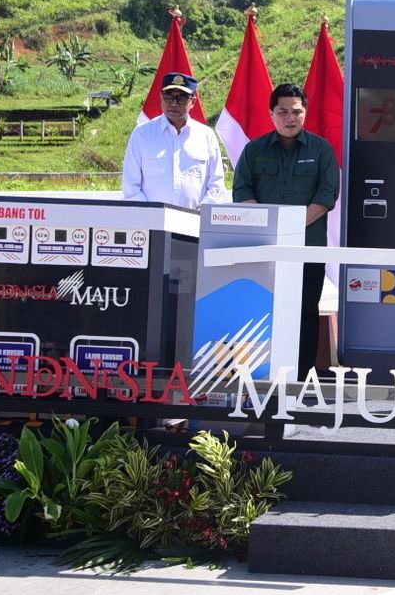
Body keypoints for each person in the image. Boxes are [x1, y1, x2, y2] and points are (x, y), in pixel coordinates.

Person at [232, 82, 340, 376]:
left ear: (305, 113)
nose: (290, 118)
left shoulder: (321, 150)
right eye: (283, 111)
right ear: (271, 113)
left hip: (308, 249)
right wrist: (271, 228)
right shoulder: (254, 150)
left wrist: (290, 229)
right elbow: (241, 191)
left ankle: (302, 376)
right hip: (264, 249)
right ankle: (263, 373)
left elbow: (327, 195)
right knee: (264, 312)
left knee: (305, 314)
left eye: (297, 111)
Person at [121, 72, 227, 208]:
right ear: (161, 97)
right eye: (168, 97)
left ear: (193, 101)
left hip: (194, 223)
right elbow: (131, 187)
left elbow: (216, 185)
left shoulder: (206, 136)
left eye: (181, 98)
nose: (174, 103)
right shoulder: (142, 134)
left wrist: (200, 214)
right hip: (153, 223)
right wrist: (151, 214)